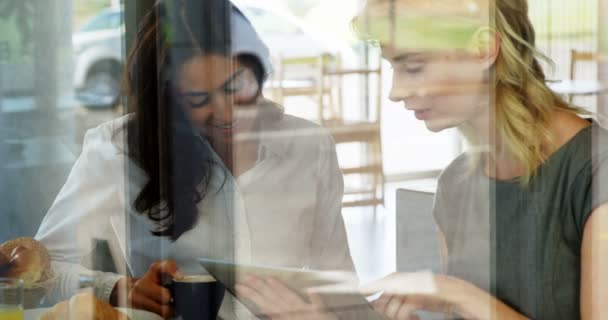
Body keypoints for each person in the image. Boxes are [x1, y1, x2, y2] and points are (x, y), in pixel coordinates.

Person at [35, 1, 355, 318]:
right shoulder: (118, 148)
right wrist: (118, 287)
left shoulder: (309, 146)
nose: (227, 112)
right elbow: (40, 272)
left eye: (236, 86)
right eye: (199, 99)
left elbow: (339, 285)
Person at [355, 0, 608, 319]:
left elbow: (464, 301)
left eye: (413, 66)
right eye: (393, 66)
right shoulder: (455, 185)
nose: (395, 90)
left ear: (483, 50)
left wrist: (459, 294)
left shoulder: (595, 172)